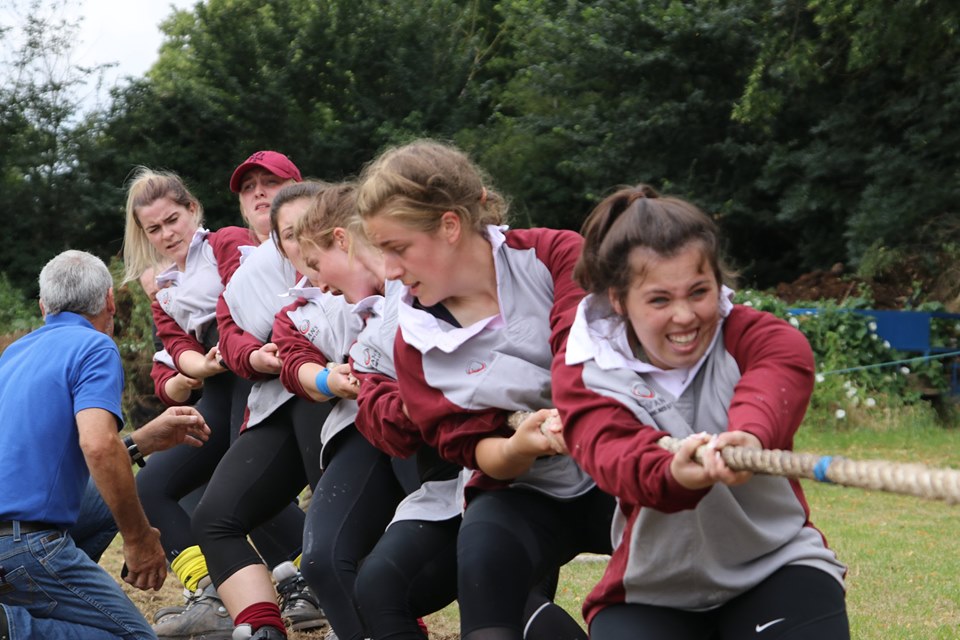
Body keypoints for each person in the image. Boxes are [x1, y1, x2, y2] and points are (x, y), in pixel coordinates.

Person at [552, 185, 849, 639]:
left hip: (776, 565)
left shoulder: (757, 336)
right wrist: (674, 472)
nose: (685, 315)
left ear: (718, 282)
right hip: (651, 589)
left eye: (698, 292)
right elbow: (613, 455)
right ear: (618, 300)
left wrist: (749, 436)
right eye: (659, 300)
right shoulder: (584, 371)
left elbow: (777, 374)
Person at [354, 140, 615, 640]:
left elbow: (580, 338)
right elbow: (477, 451)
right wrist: (522, 446)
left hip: (617, 460)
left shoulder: (551, 255)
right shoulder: (415, 345)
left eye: (398, 248)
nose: (389, 271)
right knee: (482, 564)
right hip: (523, 488)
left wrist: (570, 408)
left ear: (450, 225)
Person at [121, 160, 312, 639]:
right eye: (154, 229)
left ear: (193, 209)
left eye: (173, 220)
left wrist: (216, 357)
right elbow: (173, 348)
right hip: (218, 384)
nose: (166, 234)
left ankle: (303, 576)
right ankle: (210, 590)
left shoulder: (225, 243)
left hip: (255, 374)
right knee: (153, 484)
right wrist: (195, 369)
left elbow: (243, 305)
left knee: (238, 480)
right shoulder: (163, 284)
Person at [0, 250, 186, 638]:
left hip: (11, 537)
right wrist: (139, 539)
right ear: (109, 301)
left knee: (104, 497)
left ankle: (43, 607)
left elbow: (48, 456)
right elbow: (99, 446)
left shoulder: (14, 353)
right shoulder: (94, 346)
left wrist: (141, 441)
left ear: (43, 307)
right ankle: (13, 627)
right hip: (26, 545)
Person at [192, 181, 333, 640]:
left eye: (270, 184)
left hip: (339, 406)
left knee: (332, 532)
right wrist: (255, 355)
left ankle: (379, 623)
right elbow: (229, 332)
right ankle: (262, 628)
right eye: (290, 233)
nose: (302, 241)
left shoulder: (364, 261)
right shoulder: (251, 276)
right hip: (273, 404)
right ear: (276, 239)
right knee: (215, 518)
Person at [278, 182, 419, 640]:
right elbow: (290, 357)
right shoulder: (307, 305)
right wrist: (328, 378)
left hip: (434, 441)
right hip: (363, 426)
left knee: (482, 566)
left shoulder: (418, 282)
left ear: (342, 238)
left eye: (316, 263)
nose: (318, 283)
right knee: (321, 560)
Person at [70, 404, 210, 562]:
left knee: (115, 491)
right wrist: (138, 539)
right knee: (117, 492)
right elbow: (99, 450)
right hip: (46, 534)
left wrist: (141, 442)